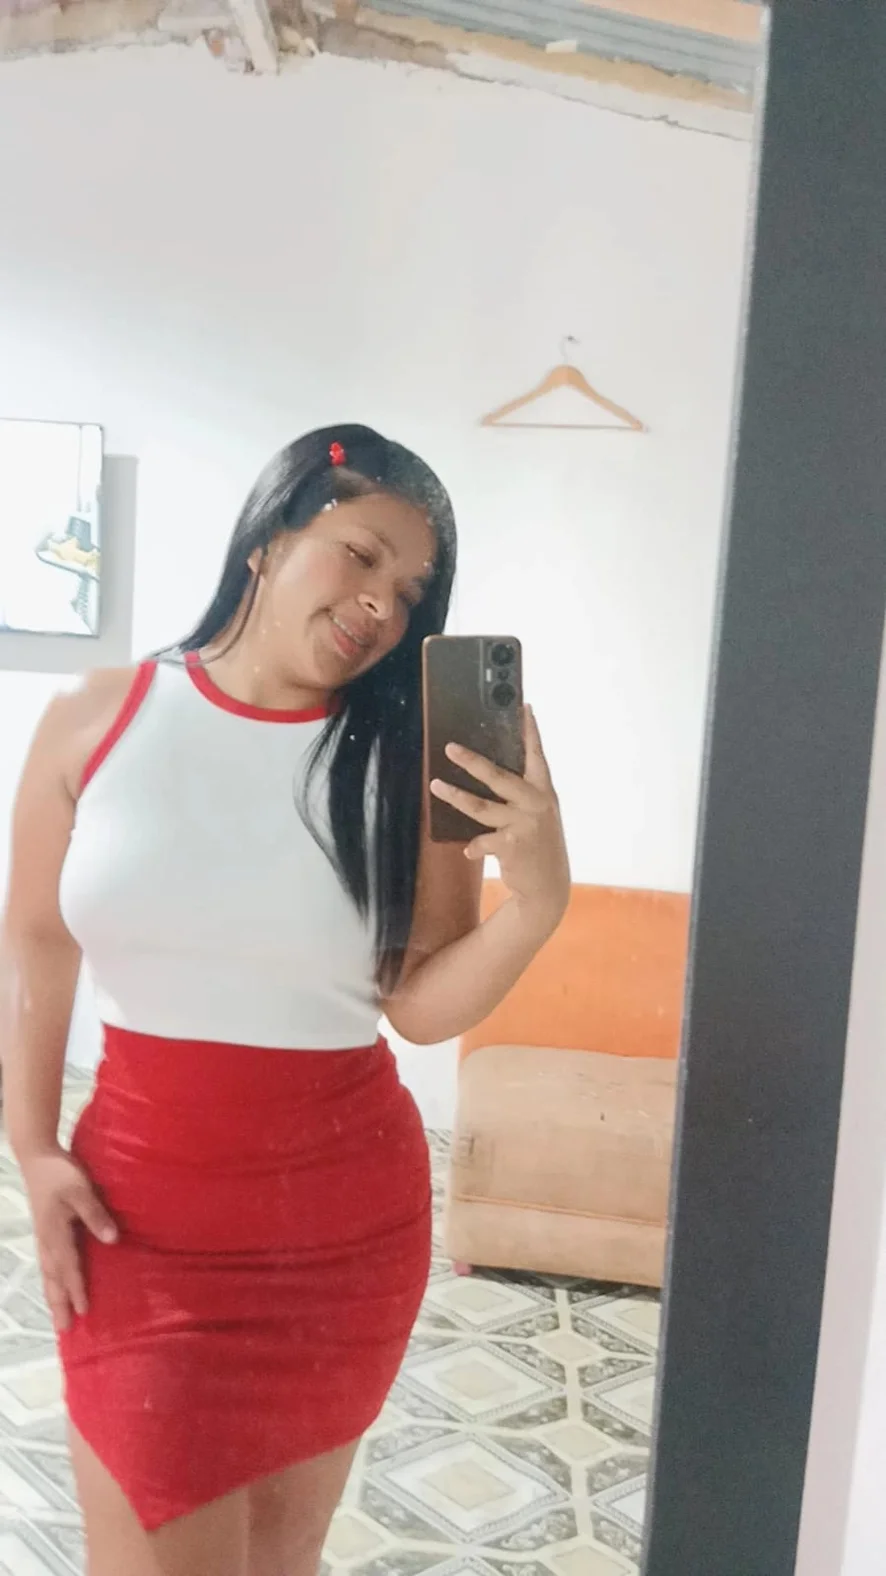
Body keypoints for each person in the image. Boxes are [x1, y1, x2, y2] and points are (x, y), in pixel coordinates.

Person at [0, 424, 570, 1576]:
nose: (380, 605)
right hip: (139, 1224)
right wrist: (32, 1142)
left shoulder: (409, 761)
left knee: (276, 1563)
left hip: (341, 1236)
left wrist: (537, 903)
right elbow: (35, 935)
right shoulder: (98, 715)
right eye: (360, 555)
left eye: (410, 592)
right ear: (267, 536)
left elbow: (418, 1006)